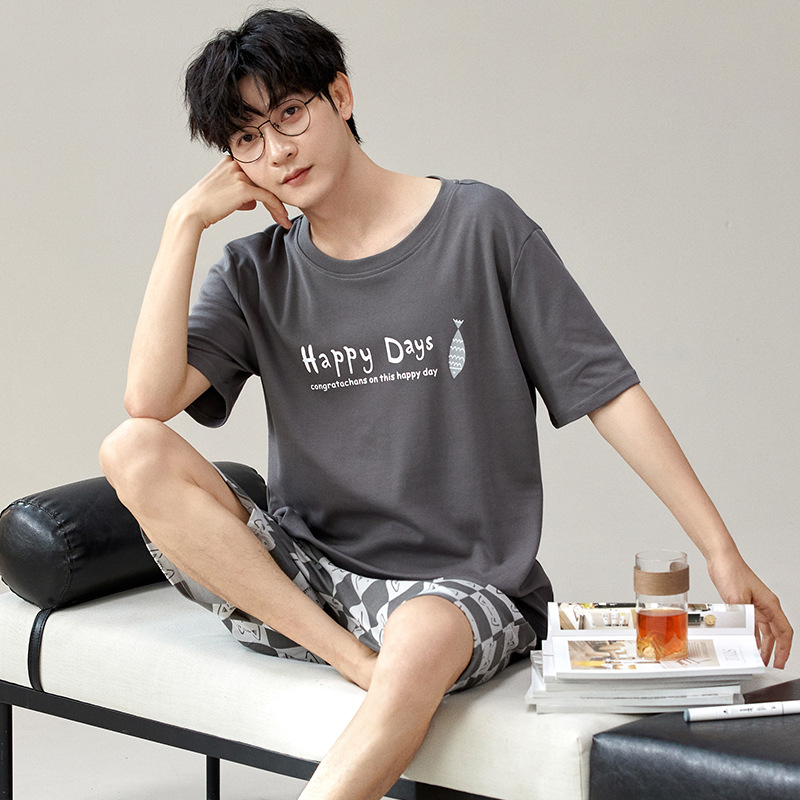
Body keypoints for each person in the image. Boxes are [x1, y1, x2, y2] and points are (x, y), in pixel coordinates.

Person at [99, 8, 792, 799]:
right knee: (130, 447)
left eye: (289, 112)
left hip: (459, 591)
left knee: (423, 630)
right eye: (247, 138)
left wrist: (720, 550)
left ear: (341, 96)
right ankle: (355, 662)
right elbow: (148, 400)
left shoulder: (479, 225)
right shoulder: (256, 272)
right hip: (308, 583)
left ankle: (386, 669)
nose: (278, 151)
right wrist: (182, 222)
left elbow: (608, 391)